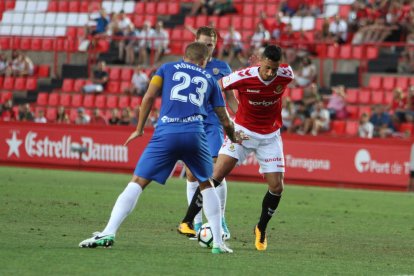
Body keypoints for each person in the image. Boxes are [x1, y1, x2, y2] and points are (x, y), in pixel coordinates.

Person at [79, 42, 243, 254]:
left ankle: (109, 232)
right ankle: (219, 243)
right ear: (204, 61)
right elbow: (225, 119)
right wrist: (233, 137)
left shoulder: (166, 68)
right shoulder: (211, 79)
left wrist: (139, 128)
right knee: (207, 184)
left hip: (166, 132)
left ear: (185, 55)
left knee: (137, 182)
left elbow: (148, 97)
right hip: (195, 133)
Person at [178, 45, 294, 251]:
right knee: (214, 176)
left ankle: (261, 228)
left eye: (274, 69)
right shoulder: (242, 77)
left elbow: (286, 76)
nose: (270, 73)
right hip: (242, 132)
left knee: (277, 187)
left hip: (270, 137)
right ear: (260, 62)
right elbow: (216, 87)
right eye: (267, 68)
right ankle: (187, 221)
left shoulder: (286, 74)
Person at [178, 26, 237, 240]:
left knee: (215, 172)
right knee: (192, 173)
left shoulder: (222, 67)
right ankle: (195, 222)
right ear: (195, 41)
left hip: (212, 123)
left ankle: (220, 220)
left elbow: (229, 97)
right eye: (203, 43)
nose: (207, 47)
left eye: (210, 44)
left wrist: (242, 120)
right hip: (190, 122)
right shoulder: (184, 65)